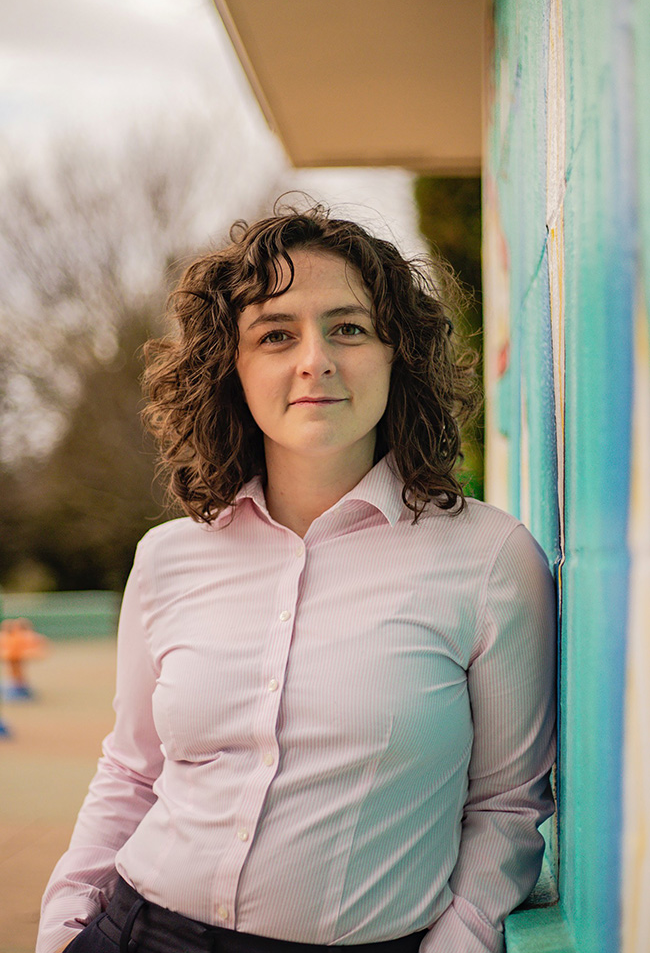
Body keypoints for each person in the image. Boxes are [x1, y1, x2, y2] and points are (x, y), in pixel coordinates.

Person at [37, 204, 556, 953]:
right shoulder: (167, 557)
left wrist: (461, 940)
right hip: (137, 927)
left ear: (394, 353)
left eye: (348, 327)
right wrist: (62, 926)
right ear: (233, 367)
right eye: (276, 334)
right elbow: (130, 770)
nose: (315, 359)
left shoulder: (488, 558)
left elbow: (506, 805)